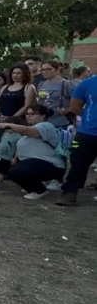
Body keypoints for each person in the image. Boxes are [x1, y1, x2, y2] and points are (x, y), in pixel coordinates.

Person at [0, 105, 67, 200]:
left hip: (51, 165)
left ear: (43, 116)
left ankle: (40, 191)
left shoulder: (45, 126)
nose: (28, 116)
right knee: (13, 171)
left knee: (16, 171)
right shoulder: (33, 128)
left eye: (32, 114)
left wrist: (9, 125)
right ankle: (32, 187)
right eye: (27, 114)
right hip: (38, 163)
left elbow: (27, 130)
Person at [57, 72, 97, 206]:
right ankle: (70, 192)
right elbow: (75, 107)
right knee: (78, 163)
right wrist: (89, 119)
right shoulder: (88, 83)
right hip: (87, 132)